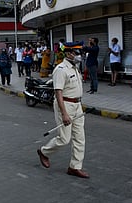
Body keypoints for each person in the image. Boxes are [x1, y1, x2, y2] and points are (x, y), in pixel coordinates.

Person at [37, 41, 89, 179]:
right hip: (65, 105)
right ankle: (44, 152)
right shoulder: (61, 69)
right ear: (68, 53)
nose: (79, 56)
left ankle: (74, 167)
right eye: (77, 53)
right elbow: (58, 92)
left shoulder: (74, 68)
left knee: (79, 138)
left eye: (80, 53)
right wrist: (64, 113)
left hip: (77, 105)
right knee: (64, 139)